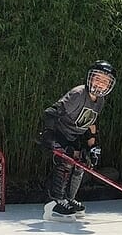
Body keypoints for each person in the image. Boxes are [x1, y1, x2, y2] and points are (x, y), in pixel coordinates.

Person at [38, 60, 115, 222]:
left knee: (82, 164)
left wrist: (93, 146)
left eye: (105, 81)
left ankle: (68, 199)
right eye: (97, 79)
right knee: (66, 162)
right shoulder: (79, 94)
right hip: (60, 133)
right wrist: (50, 138)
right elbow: (52, 112)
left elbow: (91, 123)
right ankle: (55, 202)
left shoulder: (100, 101)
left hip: (75, 136)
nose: (100, 84)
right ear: (90, 78)